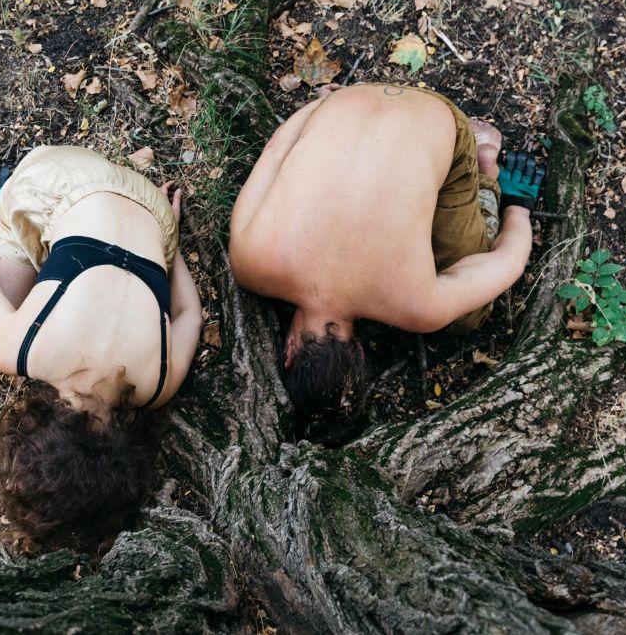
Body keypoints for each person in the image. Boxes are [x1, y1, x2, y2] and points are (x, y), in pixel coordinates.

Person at [0, 145, 202, 554]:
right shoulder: (20, 350)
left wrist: (168, 243)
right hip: (54, 181)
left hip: (152, 210)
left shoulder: (159, 384)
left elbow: (188, 315)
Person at [227, 83, 545, 423]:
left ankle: (488, 175)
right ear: (290, 352)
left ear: (360, 351)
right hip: (350, 101)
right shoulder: (248, 261)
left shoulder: (418, 307)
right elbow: (277, 148)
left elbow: (509, 262)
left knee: (470, 314)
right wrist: (327, 105)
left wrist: (519, 208)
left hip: (434, 116)